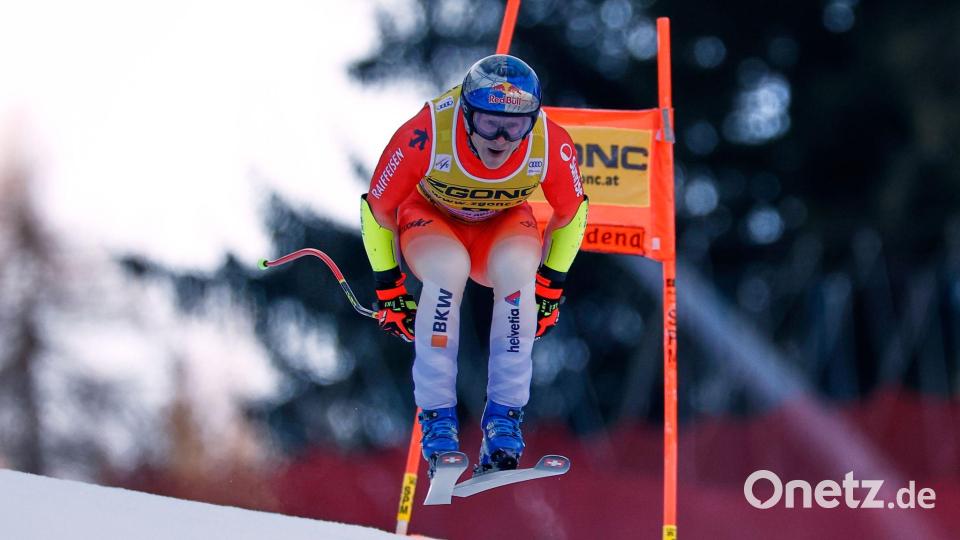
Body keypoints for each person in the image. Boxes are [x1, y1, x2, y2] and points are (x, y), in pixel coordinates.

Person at [360, 54, 587, 474]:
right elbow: (378, 209)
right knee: (448, 271)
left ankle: (505, 423)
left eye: (515, 126)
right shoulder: (426, 132)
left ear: (532, 121)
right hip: (431, 220)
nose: (501, 139)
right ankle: (438, 423)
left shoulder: (551, 143)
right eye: (488, 124)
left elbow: (572, 213)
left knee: (520, 277)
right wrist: (389, 288)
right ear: (466, 114)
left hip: (499, 225)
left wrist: (551, 289)